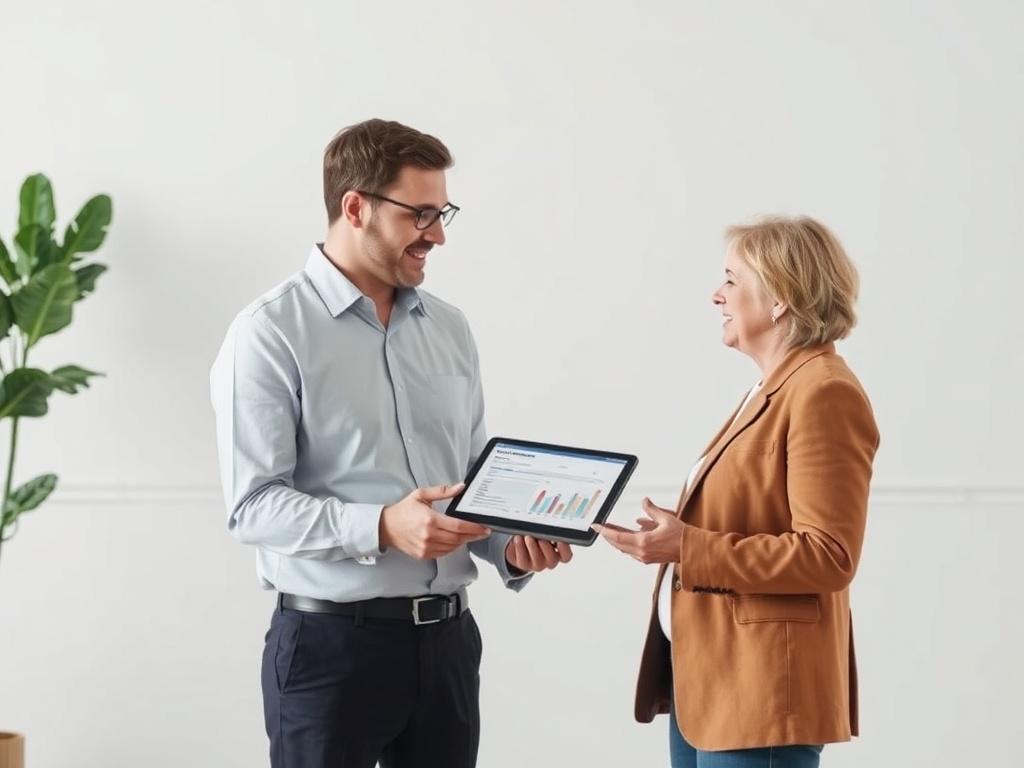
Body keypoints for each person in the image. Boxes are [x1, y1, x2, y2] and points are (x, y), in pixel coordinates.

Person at [210, 118, 572, 768]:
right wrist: (382, 526)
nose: (437, 234)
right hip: (328, 652)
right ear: (356, 207)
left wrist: (511, 544)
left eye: (443, 213)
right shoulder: (269, 333)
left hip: (448, 648)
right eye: (422, 214)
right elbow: (254, 506)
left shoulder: (449, 330)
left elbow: (467, 486)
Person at [595, 216, 879, 768]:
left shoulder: (823, 393)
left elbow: (829, 556)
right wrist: (674, 537)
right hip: (712, 681)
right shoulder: (774, 388)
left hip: (762, 693)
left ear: (779, 299)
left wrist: (689, 548)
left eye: (731, 279)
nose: (716, 295)